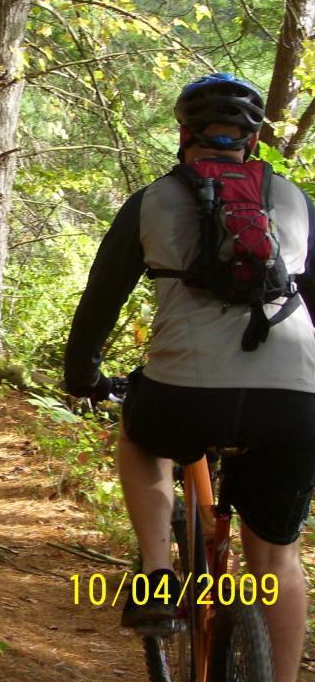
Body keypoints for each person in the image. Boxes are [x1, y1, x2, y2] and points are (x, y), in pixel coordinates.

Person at [64, 72, 315, 682]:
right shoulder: (299, 202)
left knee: (142, 438)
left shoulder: (151, 200)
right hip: (295, 400)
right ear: (253, 140)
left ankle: (155, 574)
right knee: (276, 555)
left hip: (184, 394)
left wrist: (84, 375)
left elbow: (102, 299)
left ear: (184, 133)